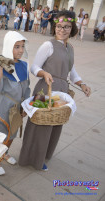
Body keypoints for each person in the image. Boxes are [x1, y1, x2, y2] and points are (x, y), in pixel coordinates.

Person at [19, 11, 91, 171]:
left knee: (55, 123)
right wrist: (44, 73)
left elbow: (71, 71)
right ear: (54, 27)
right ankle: (32, 158)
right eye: (59, 26)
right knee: (41, 125)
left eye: (67, 27)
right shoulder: (48, 45)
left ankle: (43, 154)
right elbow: (34, 67)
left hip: (62, 90)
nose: (62, 30)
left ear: (72, 28)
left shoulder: (70, 48)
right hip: (45, 89)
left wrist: (82, 84)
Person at [0, 31, 30, 175]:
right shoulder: (0, 65)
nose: (21, 50)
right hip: (0, 106)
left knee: (11, 134)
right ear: (8, 47)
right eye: (17, 47)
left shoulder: (24, 65)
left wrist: (26, 104)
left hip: (16, 108)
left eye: (22, 46)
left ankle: (5, 153)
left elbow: (27, 87)